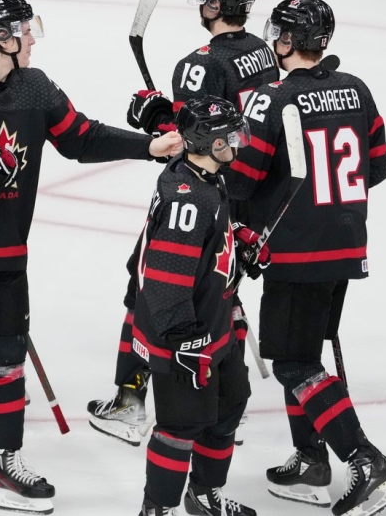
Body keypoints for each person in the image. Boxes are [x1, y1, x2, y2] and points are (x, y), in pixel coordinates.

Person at [0, 0, 181, 515]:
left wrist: (148, 147)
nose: (32, 39)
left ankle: (3, 461)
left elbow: (81, 137)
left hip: (4, 255)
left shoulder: (35, 86)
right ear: (0, 38)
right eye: (25, 31)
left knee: (5, 364)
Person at [227, 0, 386, 516]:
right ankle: (311, 461)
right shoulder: (357, 89)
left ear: (285, 40)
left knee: (294, 360)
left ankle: (364, 459)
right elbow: (379, 165)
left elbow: (242, 179)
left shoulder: (273, 97)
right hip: (346, 244)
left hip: (295, 249)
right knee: (306, 351)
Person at [88, 0, 278, 447]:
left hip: (197, 196)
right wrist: (166, 112)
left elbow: (189, 141)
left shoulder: (200, 62)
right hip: (242, 195)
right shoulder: (261, 51)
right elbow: (224, 124)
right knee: (219, 296)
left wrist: (155, 118)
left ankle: (131, 400)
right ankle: (219, 400)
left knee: (148, 286)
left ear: (215, 4)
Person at [132, 96, 257, 516]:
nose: (237, 142)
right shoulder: (188, 196)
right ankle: (158, 509)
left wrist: (235, 239)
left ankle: (204, 495)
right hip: (185, 337)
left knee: (229, 406)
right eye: (228, 138)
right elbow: (164, 280)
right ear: (205, 141)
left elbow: (206, 237)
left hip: (213, 323)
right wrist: (186, 339)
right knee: (181, 427)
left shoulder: (205, 177)